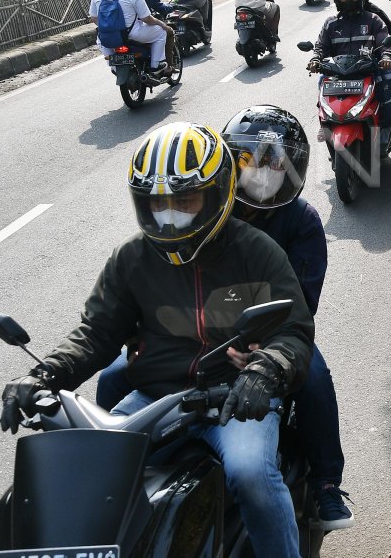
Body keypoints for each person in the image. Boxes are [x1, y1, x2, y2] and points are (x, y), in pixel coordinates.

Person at [1, 122, 315, 558]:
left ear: (217, 193)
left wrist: (265, 369)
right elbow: (96, 334)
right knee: (92, 475)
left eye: (184, 200)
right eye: (157, 203)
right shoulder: (131, 259)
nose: (170, 215)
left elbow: (293, 331)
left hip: (231, 401)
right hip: (154, 400)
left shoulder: (256, 251)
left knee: (251, 475)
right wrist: (44, 374)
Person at [96, 107, 355, 531]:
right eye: (249, 161)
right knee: (111, 377)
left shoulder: (300, 221)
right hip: (192, 341)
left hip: (269, 337)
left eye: (275, 162)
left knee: (314, 378)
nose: (262, 173)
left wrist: (261, 351)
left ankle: (326, 482)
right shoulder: (203, 210)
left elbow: (301, 304)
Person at [308, 0, 391, 141]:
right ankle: (325, 125)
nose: (348, 0)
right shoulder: (330, 23)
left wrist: (386, 57)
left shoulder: (373, 20)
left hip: (368, 70)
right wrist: (315, 59)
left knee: (390, 78)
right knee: (321, 82)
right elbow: (321, 46)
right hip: (338, 73)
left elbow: (384, 42)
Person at [90, 0, 173, 77]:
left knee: (102, 44)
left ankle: (114, 68)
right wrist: (161, 24)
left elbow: (94, 17)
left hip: (106, 38)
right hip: (133, 34)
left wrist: (108, 29)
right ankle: (155, 66)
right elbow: (146, 18)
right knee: (161, 32)